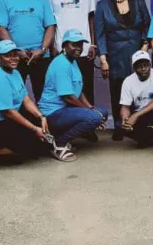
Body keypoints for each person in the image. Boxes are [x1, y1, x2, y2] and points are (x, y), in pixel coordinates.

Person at [0, 40, 56, 169]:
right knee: (30, 143)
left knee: (46, 127)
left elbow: (25, 99)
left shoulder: (15, 73)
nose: (13, 58)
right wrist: (33, 128)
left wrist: (41, 117)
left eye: (15, 54)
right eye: (8, 55)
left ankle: (7, 151)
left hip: (3, 119)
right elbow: (7, 111)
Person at [95, 0, 151, 140]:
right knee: (118, 90)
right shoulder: (103, 5)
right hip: (115, 54)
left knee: (139, 88)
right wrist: (103, 59)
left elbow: (148, 27)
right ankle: (120, 126)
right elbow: (100, 33)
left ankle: (138, 124)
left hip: (137, 53)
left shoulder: (139, 2)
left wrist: (144, 48)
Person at [38, 29, 109, 161]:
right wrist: (91, 113)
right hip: (52, 113)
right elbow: (67, 97)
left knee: (102, 113)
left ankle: (63, 136)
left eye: (80, 45)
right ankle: (59, 143)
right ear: (64, 45)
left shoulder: (73, 61)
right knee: (94, 118)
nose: (79, 48)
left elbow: (78, 90)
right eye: (74, 44)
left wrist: (91, 108)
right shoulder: (61, 64)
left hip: (66, 110)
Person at [0, 0, 56, 100]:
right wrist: (15, 51)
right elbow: (0, 28)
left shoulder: (41, 0)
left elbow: (50, 26)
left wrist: (43, 49)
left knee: (43, 95)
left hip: (40, 57)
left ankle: (42, 121)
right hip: (14, 57)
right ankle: (18, 122)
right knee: (15, 95)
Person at [44, 0, 97, 103]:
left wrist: (92, 44)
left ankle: (90, 122)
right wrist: (52, 45)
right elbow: (49, 21)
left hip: (84, 49)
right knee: (64, 92)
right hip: (61, 49)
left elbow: (91, 17)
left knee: (86, 88)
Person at [119, 51, 153, 158]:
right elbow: (125, 106)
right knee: (120, 126)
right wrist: (125, 119)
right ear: (134, 67)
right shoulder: (128, 81)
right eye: (139, 66)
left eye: (146, 65)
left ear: (150, 64)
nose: (143, 68)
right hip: (142, 112)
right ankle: (148, 137)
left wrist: (135, 116)